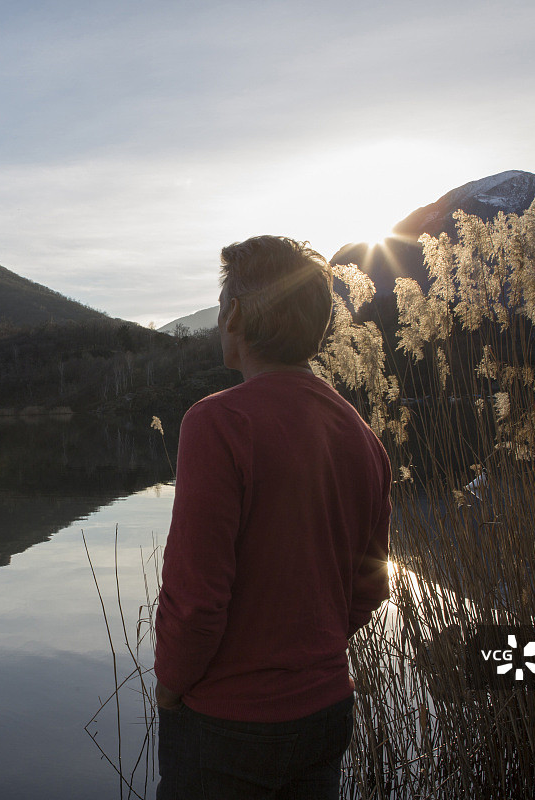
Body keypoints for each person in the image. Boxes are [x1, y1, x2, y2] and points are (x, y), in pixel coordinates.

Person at [153, 235, 391, 799]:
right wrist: (310, 654)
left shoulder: (217, 423)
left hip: (227, 726)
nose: (216, 322)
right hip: (325, 713)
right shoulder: (362, 436)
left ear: (235, 315)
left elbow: (196, 598)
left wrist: (169, 686)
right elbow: (371, 584)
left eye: (218, 307)